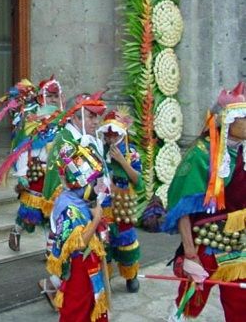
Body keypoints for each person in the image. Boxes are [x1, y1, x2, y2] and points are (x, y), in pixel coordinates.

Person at [162, 81, 246, 322]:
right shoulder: (201, 154)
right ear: (227, 120)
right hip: (205, 241)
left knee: (240, 303)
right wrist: (189, 254)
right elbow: (183, 209)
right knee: (191, 298)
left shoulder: (243, 151)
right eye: (244, 118)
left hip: (239, 240)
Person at [43, 92, 111, 321]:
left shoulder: (90, 140)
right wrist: (93, 212)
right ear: (77, 116)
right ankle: (55, 286)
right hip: (74, 213)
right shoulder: (65, 141)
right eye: (91, 117)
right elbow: (61, 181)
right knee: (74, 287)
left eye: (96, 117)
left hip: (88, 207)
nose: (95, 122)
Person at [7, 76, 64, 252]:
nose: (53, 99)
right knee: (30, 211)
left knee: (51, 212)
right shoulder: (32, 118)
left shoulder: (63, 119)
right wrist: (22, 173)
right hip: (36, 170)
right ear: (41, 96)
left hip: (55, 173)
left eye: (56, 96)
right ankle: (16, 231)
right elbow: (23, 147)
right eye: (50, 95)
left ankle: (50, 248)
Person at [97, 107, 142, 293]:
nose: (110, 139)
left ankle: (131, 275)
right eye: (107, 135)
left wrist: (122, 161)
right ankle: (104, 278)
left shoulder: (131, 152)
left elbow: (138, 181)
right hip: (105, 202)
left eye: (114, 135)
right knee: (103, 240)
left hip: (123, 203)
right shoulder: (98, 150)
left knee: (126, 240)